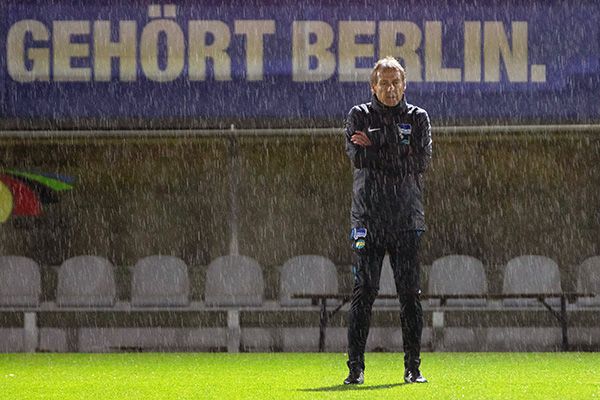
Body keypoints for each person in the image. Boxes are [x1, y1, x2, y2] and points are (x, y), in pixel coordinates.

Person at [343, 56, 432, 385]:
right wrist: (397, 149)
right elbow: (359, 157)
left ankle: (413, 367)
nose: (390, 88)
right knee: (363, 291)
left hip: (407, 221)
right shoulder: (358, 116)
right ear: (373, 86)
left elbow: (419, 162)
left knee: (410, 294)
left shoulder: (419, 118)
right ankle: (355, 368)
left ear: (404, 85)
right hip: (366, 221)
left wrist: (378, 145)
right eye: (384, 83)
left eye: (396, 83)